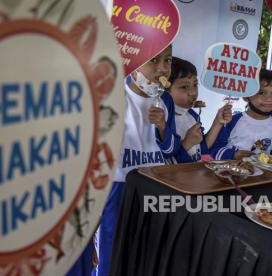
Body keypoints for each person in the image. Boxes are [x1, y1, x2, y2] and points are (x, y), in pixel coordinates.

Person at [94, 45, 181, 276]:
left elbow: (171, 149)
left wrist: (163, 127)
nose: (163, 68)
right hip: (118, 185)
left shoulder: (167, 102)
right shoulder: (113, 94)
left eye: (168, 60)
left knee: (146, 248)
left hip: (155, 185)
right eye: (154, 60)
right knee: (111, 250)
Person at [211, 69, 272, 160]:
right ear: (246, 96)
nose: (269, 98)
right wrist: (233, 155)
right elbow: (213, 150)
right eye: (261, 93)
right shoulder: (232, 121)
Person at [168, 57, 232, 162]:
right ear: (165, 89)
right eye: (184, 87)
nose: (193, 92)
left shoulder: (192, 115)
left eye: (195, 85)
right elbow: (166, 163)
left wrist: (217, 122)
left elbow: (201, 148)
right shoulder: (163, 120)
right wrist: (187, 143)